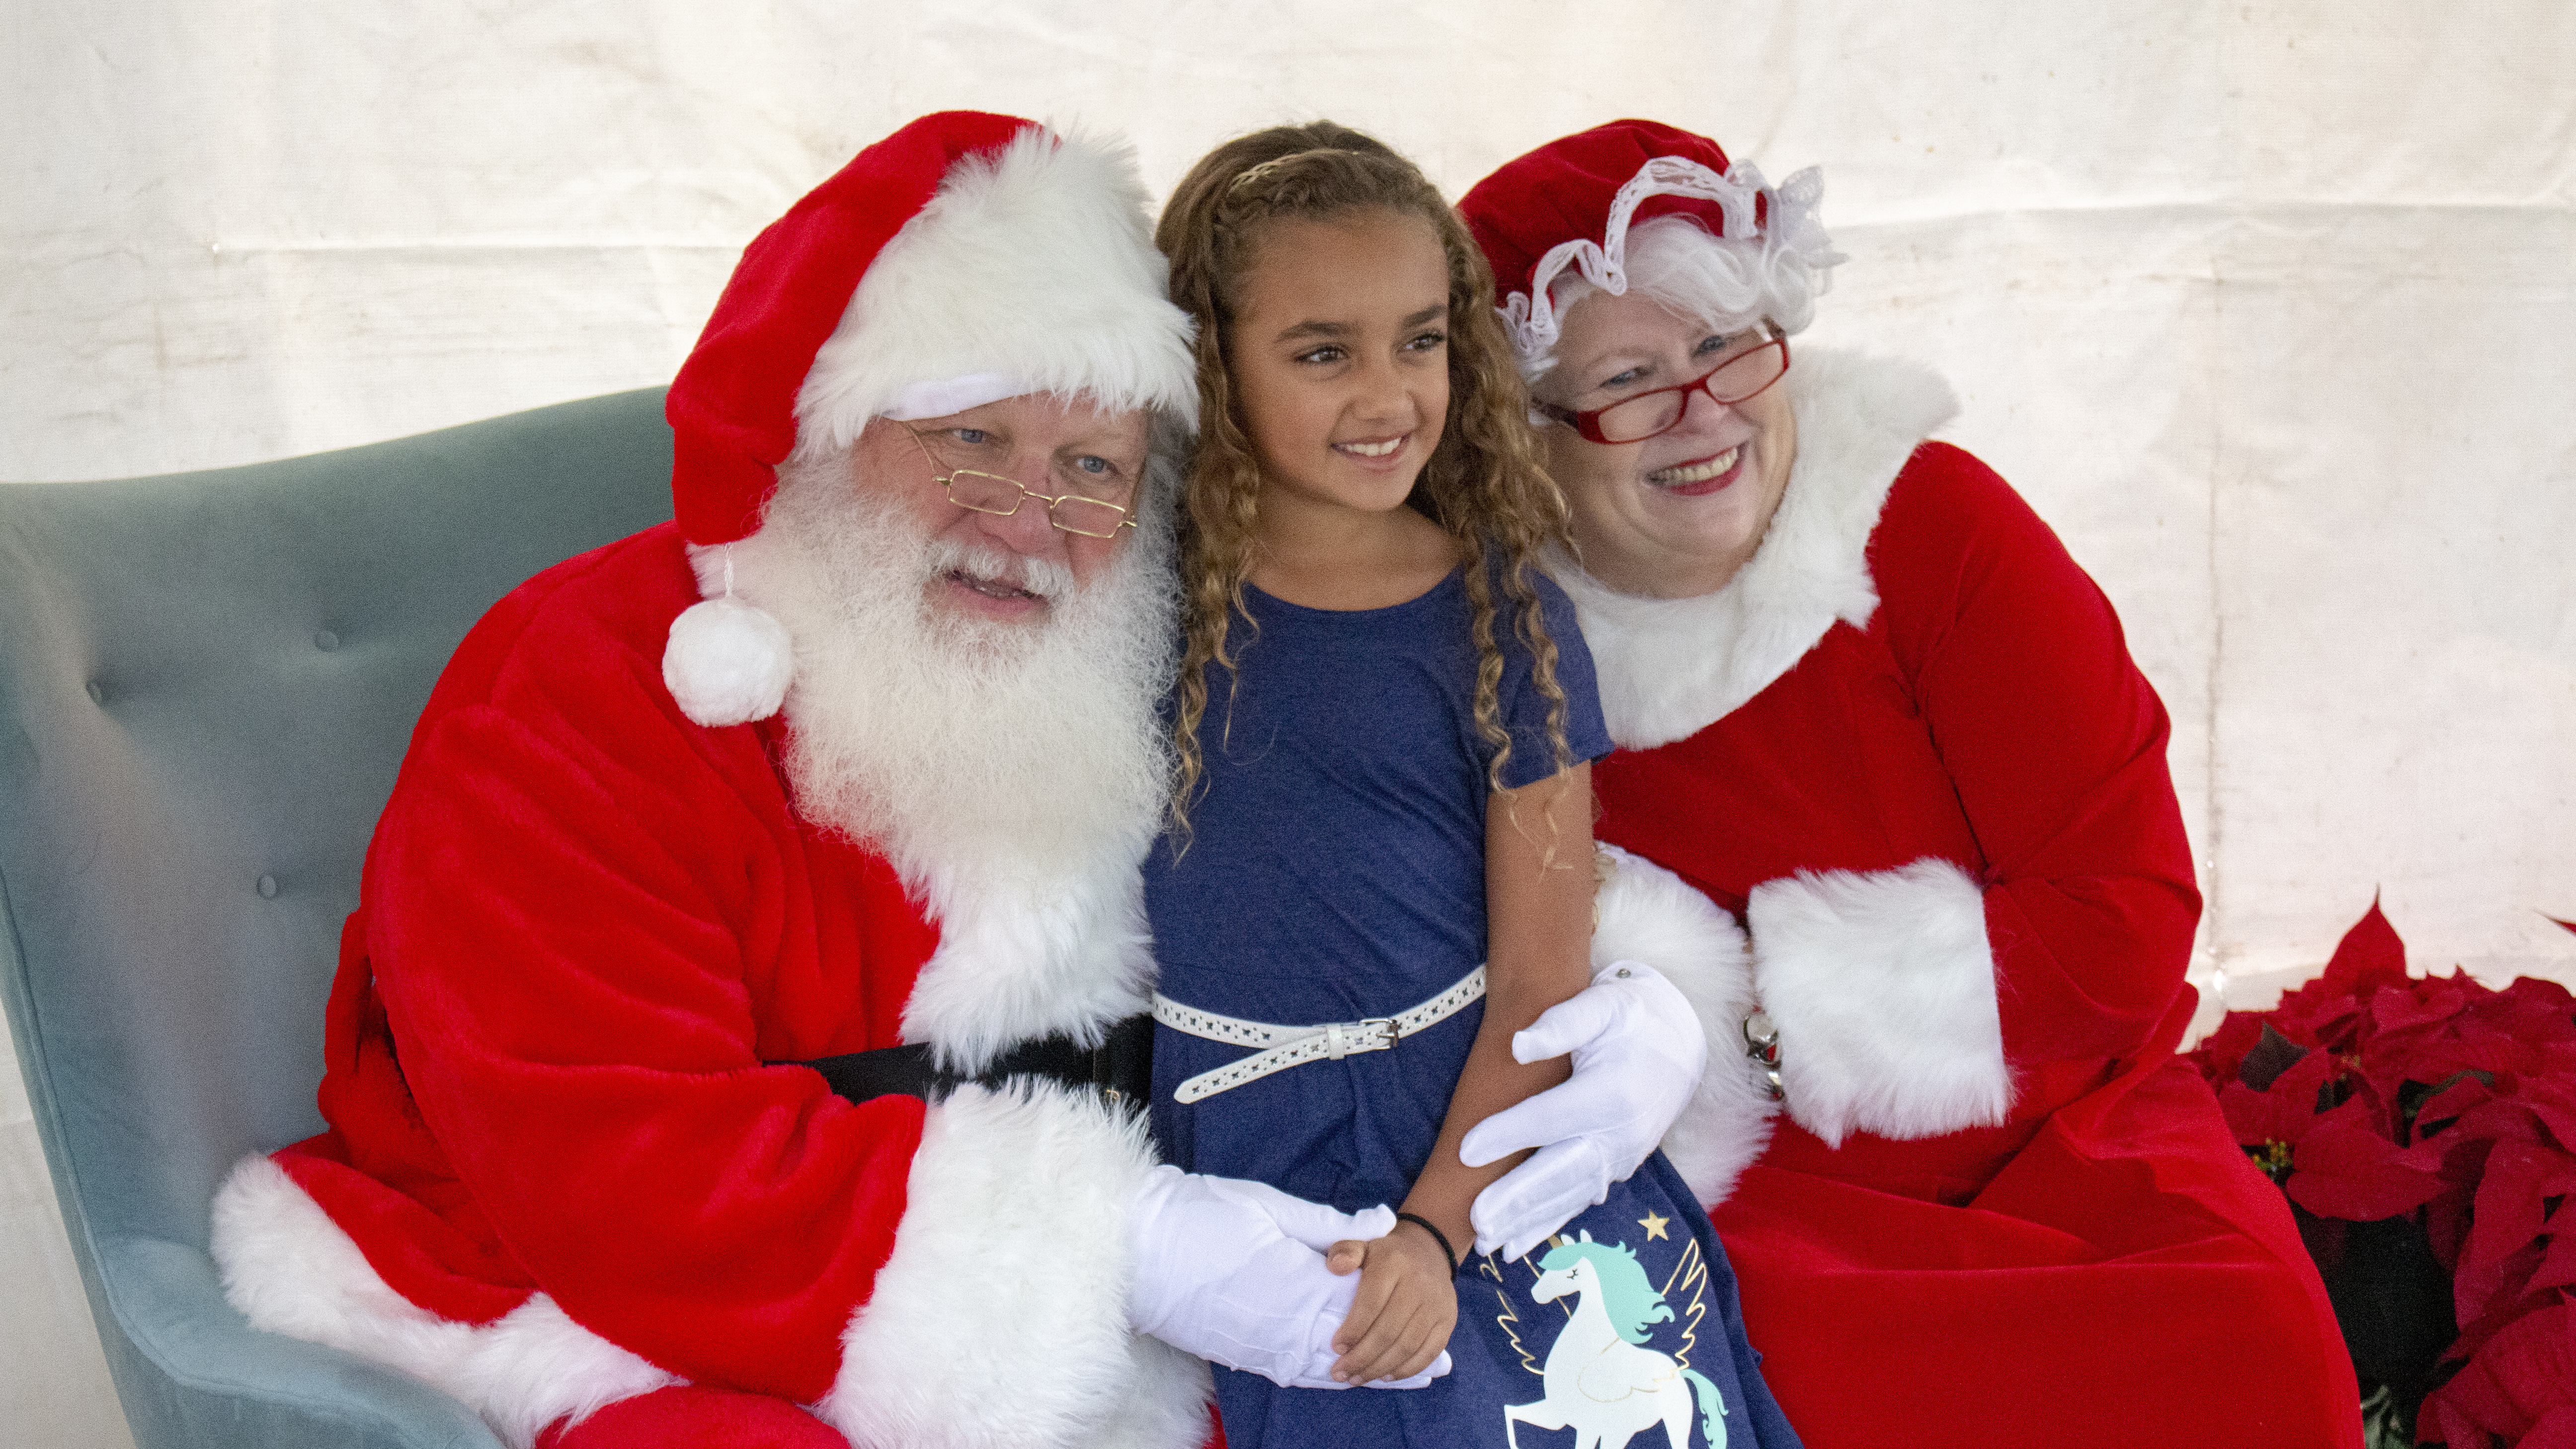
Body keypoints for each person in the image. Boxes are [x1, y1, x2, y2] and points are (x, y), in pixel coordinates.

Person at [205, 111, 1465, 1449]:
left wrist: (1592, 989)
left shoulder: (1142, 671)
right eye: (973, 439)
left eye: (1092, 469)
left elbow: (1372, 900)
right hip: (602, 1302)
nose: (1028, 518)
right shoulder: (583, 677)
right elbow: (608, 1155)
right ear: (827, 428)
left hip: (1082, 1313)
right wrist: (1129, 1239)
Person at [1454, 119, 2366, 1447]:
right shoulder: (1492, 649)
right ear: (1529, 436)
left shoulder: (1928, 523)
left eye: (1725, 347)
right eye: (1631, 379)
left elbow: (2129, 911)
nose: (1702, 409)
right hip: (1751, 1190)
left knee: (2248, 1339)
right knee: (1742, 1375)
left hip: (2064, 1130)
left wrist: (1754, 1008)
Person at [1139, 122, 1800, 1449]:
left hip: (1484, 1148)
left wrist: (1439, 1231)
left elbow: (1539, 980)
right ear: (1212, 361)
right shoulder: (1135, 614)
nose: (1388, 394)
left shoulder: (1502, 618)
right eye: (1323, 351)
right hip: (1246, 1180)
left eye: (1422, 339)